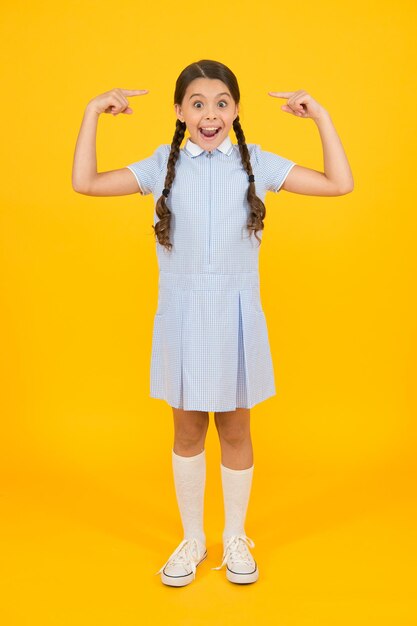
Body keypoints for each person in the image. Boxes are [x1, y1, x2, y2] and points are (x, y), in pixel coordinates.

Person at [72, 59, 354, 587]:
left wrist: (320, 116)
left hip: (236, 318)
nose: (209, 114)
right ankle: (192, 538)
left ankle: (235, 537)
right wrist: (92, 112)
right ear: (179, 111)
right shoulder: (161, 165)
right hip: (182, 317)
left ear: (236, 110)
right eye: (197, 103)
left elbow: (340, 183)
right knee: (186, 431)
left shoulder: (258, 165)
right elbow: (84, 182)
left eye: (221, 102)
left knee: (236, 429)